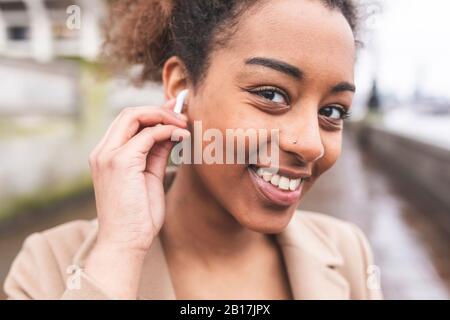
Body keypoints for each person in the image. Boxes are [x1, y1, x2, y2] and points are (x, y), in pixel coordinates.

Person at [4, 0, 383, 300]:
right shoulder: (47, 266)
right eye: (271, 94)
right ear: (181, 85)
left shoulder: (350, 254)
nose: (312, 145)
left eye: (332, 111)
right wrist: (118, 253)